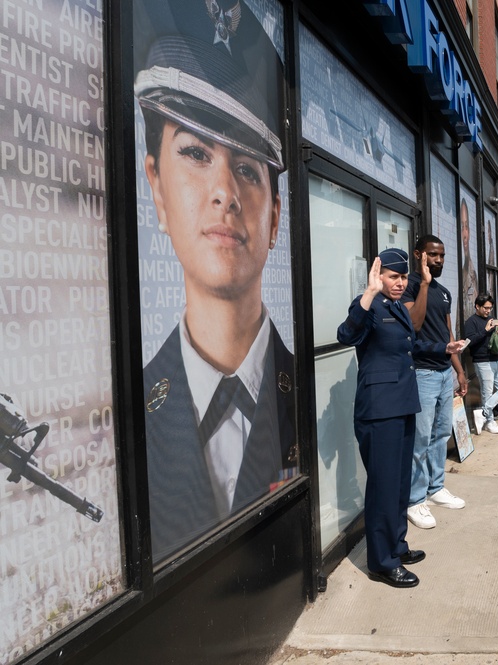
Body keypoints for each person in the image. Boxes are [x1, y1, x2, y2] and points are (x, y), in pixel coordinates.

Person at [135, 0, 296, 562]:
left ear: (274, 218)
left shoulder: (303, 391)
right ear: (155, 184)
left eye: (249, 168)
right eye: (196, 153)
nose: (224, 191)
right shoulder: (130, 409)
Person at [337, 249, 464, 587]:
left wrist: (444, 350)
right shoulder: (367, 305)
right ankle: (382, 562)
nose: (400, 282)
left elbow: (411, 345)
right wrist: (368, 293)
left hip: (403, 404)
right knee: (383, 486)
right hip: (379, 410)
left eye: (403, 277)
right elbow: (346, 335)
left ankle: (396, 545)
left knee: (400, 483)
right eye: (394, 276)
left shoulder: (397, 307)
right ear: (379, 276)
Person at [402, 235, 468, 530]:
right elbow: (412, 328)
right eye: (432, 255)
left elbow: (448, 335)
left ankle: (435, 487)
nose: (438, 260)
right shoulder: (410, 285)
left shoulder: (443, 292)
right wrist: (424, 284)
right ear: (419, 255)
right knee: (420, 438)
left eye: (441, 255)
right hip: (421, 372)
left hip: (443, 372)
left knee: (441, 434)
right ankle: (415, 500)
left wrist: (459, 371)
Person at [464, 294, 498, 435]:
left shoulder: (491, 319)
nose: (488, 311)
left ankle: (483, 412)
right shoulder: (471, 322)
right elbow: (470, 342)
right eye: (486, 308)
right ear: (477, 306)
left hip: (496, 357)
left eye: (490, 308)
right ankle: (489, 421)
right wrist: (485, 330)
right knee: (487, 392)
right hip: (482, 360)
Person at [460, 199, 479, 320]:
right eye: (462, 227)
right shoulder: (461, 272)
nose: (464, 234)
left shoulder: (473, 271)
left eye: (466, 226)